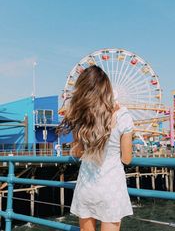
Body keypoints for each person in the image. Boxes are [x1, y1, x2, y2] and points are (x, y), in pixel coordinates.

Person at [57, 65, 134, 231]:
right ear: (107, 88)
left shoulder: (81, 117)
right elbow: (127, 158)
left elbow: (78, 153)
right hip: (111, 187)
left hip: (86, 186)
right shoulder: (122, 116)